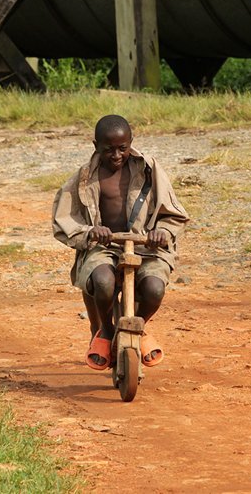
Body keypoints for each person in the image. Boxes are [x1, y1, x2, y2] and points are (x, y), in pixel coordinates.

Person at [52, 115, 189, 370]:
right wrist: (90, 231)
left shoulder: (150, 170)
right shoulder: (84, 177)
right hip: (104, 247)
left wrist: (162, 231)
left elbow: (174, 214)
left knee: (154, 289)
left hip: (146, 245)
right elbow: (64, 220)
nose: (116, 155)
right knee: (103, 283)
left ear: (131, 143)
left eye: (122, 148)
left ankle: (138, 327)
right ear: (96, 146)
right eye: (108, 149)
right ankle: (105, 330)